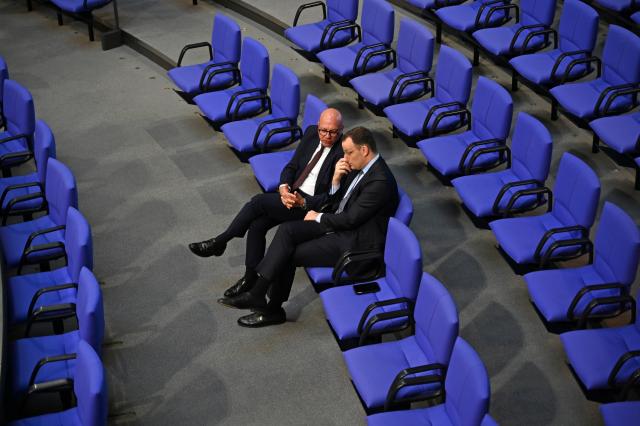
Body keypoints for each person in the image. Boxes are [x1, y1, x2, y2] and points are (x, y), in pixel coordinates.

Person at [218, 126, 399, 327]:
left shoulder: (379, 181)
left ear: (364, 150)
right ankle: (258, 293)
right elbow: (340, 200)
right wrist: (336, 180)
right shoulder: (361, 167)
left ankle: (272, 308)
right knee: (287, 230)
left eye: (349, 152)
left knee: (289, 253)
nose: (345, 158)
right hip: (339, 224)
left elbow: (351, 220)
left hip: (354, 242)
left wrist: (318, 217)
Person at [189, 108, 344, 297]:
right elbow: (292, 166)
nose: (327, 136)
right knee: (257, 225)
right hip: (291, 194)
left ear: (341, 129)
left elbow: (332, 196)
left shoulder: (343, 153)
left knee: (258, 202)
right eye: (323, 130)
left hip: (310, 207)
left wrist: (303, 202)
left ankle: (220, 241)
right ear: (318, 126)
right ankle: (249, 277)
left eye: (333, 132)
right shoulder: (312, 133)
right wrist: (283, 188)